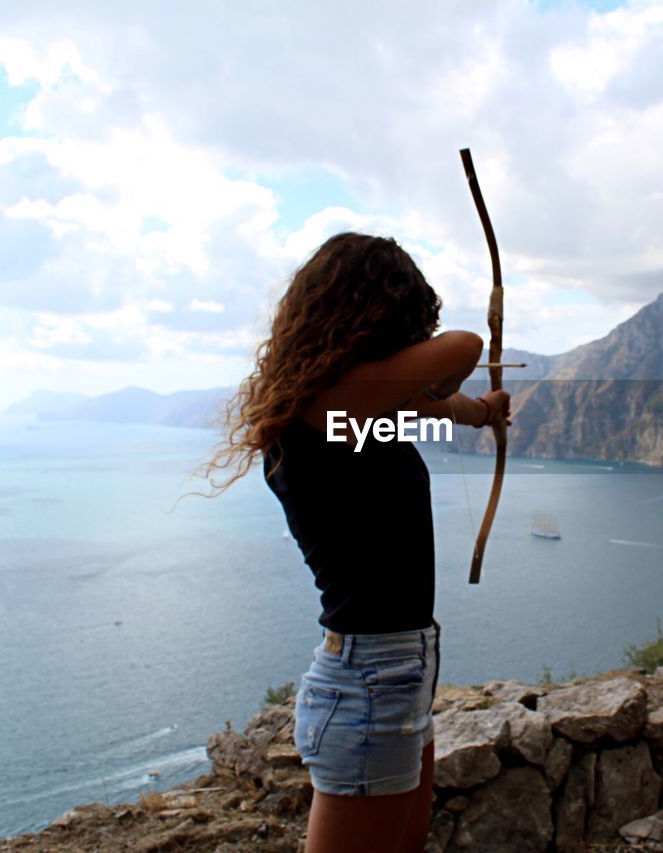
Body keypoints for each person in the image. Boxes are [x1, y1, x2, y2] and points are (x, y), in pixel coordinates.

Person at [195, 232, 510, 852]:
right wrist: (449, 389)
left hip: (397, 668)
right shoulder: (331, 405)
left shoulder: (340, 417)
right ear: (379, 317)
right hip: (372, 677)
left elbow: (420, 403)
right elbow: (465, 346)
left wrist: (477, 412)